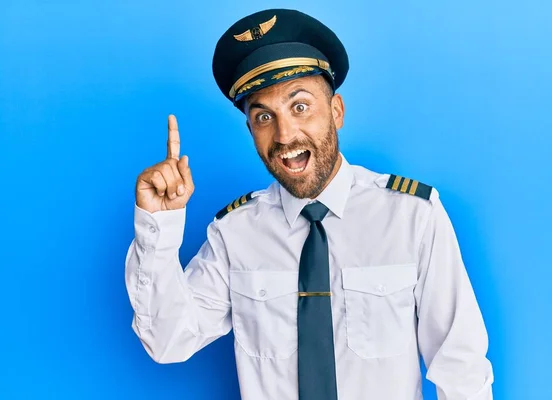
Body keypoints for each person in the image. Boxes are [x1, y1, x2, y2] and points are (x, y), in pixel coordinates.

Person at [125, 8, 494, 400]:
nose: (285, 134)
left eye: (300, 107)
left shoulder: (412, 216)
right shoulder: (234, 233)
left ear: (336, 112)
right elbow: (168, 342)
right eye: (264, 116)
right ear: (251, 129)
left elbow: (461, 367)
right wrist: (158, 228)